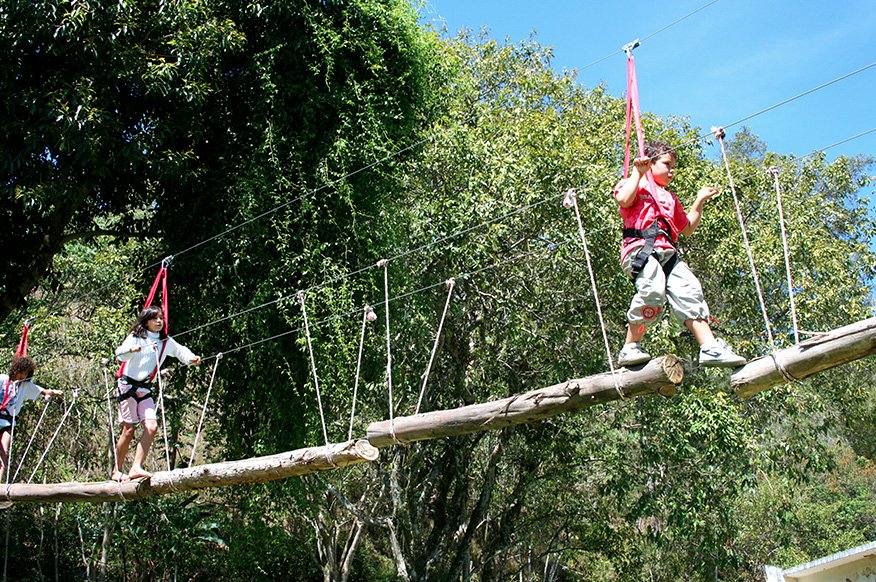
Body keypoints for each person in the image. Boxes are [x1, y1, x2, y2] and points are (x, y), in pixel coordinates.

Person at [613, 140, 745, 368]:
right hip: (640, 247)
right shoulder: (635, 184)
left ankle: (710, 347)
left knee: (690, 291)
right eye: (667, 164)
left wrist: (699, 200)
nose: (672, 170)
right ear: (651, 164)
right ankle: (630, 347)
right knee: (652, 291)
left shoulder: (670, 197)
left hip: (667, 253)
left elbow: (687, 228)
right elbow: (624, 199)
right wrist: (637, 172)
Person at [112, 306, 200, 481]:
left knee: (151, 427)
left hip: (145, 389)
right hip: (127, 386)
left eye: (161, 318)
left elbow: (180, 351)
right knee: (128, 430)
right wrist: (131, 351)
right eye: (155, 318)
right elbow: (120, 354)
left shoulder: (165, 342)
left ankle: (136, 467)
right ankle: (116, 470)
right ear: (146, 321)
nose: (159, 321)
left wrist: (191, 359)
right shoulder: (136, 337)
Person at [0, 355, 63, 474]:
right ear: (16, 370)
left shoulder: (24, 385)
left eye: (26, 374)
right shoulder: (2, 379)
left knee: (5, 452)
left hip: (8, 422)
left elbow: (41, 390)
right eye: (22, 373)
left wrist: (53, 392)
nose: (23, 376)